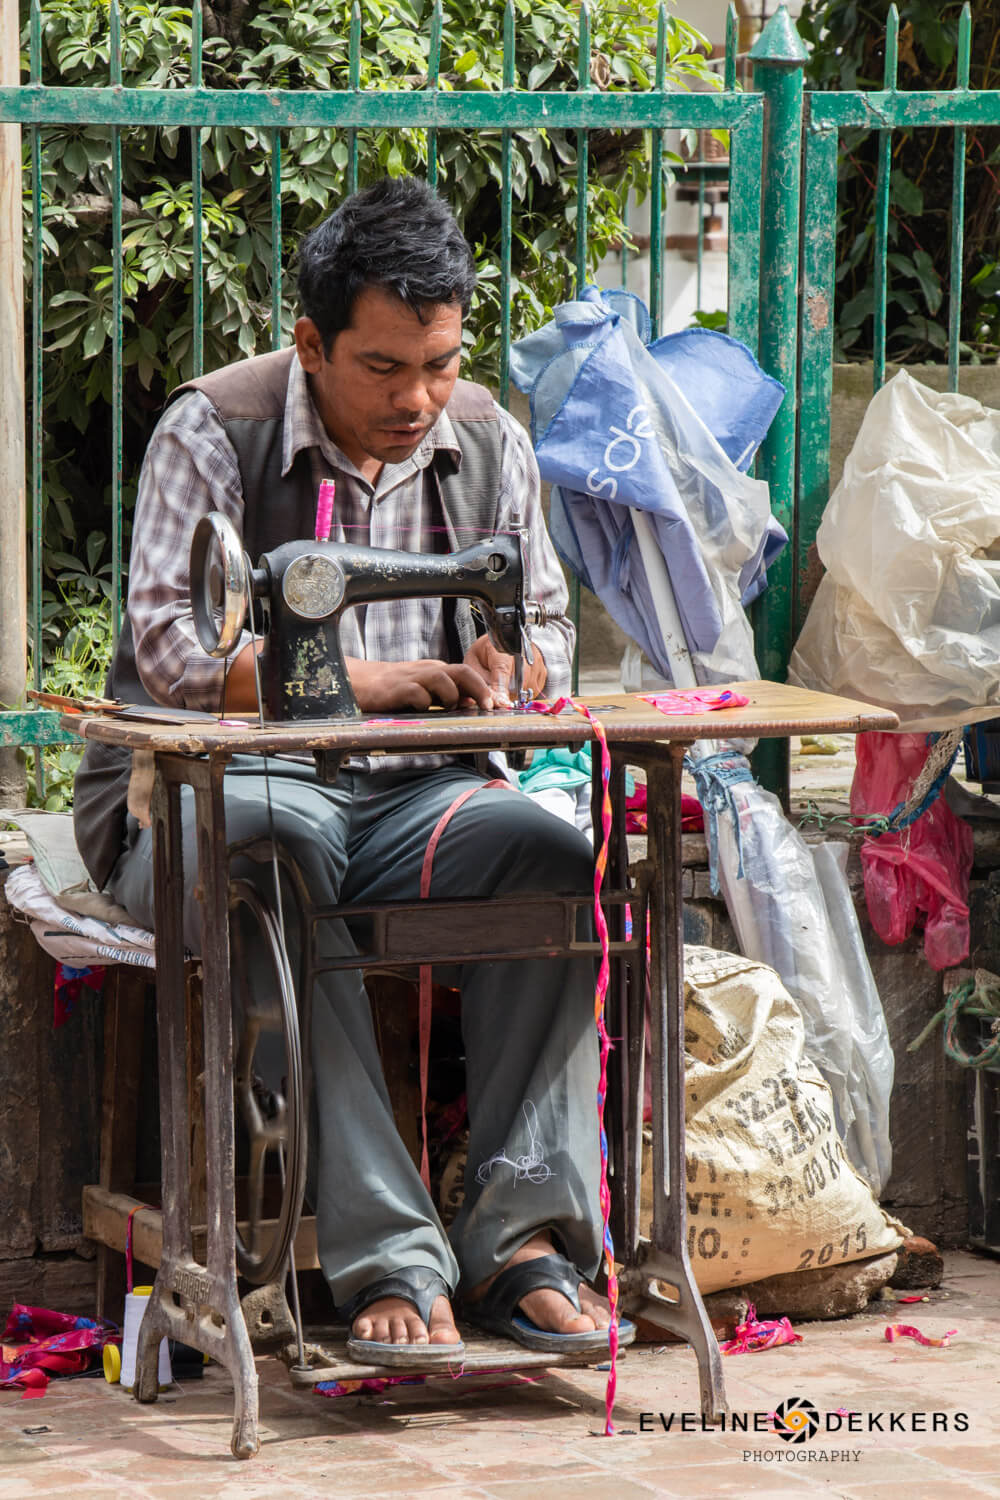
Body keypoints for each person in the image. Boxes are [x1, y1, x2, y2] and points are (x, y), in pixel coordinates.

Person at [74, 176, 633, 1364]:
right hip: (195, 808)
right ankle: (392, 1257)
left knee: (550, 860)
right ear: (311, 343)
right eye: (383, 368)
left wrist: (504, 672)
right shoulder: (214, 429)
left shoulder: (485, 441)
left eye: (438, 362)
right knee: (282, 854)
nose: (419, 398)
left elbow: (539, 631)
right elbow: (173, 650)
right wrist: (361, 684)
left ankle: (522, 1238)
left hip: (408, 798)